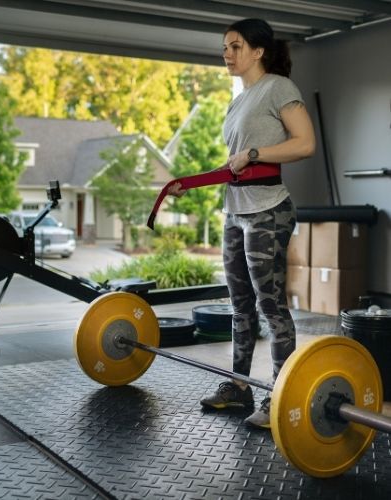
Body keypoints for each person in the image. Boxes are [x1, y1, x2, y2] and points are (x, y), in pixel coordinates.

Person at [170, 18, 316, 429]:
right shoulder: (239, 100)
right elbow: (236, 163)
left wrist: (254, 151)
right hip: (235, 212)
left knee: (271, 307)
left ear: (258, 51)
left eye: (235, 46)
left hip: (268, 210)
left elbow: (305, 144)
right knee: (239, 307)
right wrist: (192, 184)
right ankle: (238, 387)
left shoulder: (279, 87)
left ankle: (280, 395)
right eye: (225, 47)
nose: (227, 54)